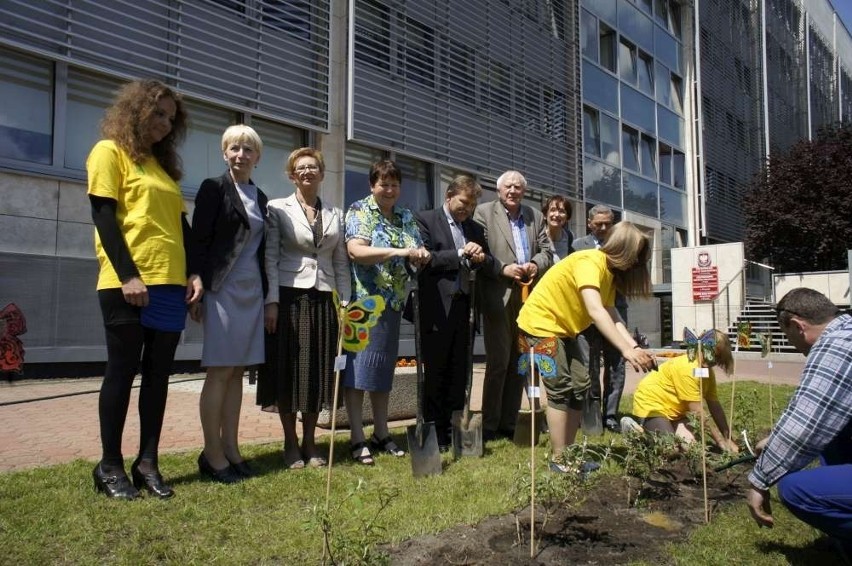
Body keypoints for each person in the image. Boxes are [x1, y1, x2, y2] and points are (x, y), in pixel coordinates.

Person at [87, 79, 203, 500]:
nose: (165, 124)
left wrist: (194, 273)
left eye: (171, 118)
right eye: (158, 113)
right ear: (136, 110)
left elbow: (180, 228)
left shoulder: (164, 169)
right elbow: (103, 216)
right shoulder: (109, 152)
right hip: (129, 283)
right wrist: (128, 275)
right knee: (121, 372)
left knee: (158, 377)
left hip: (170, 285)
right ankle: (110, 465)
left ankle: (147, 462)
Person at [516, 222, 656, 472]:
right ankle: (559, 461)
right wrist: (625, 351)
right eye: (636, 257)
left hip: (565, 329)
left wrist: (633, 346)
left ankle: (568, 456)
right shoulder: (589, 263)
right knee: (560, 387)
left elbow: (612, 314)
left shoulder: (608, 274)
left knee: (580, 386)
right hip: (539, 326)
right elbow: (595, 310)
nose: (637, 264)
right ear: (624, 250)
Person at [259, 148, 351, 470]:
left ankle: (311, 441)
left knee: (317, 372)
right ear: (292, 174)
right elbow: (270, 257)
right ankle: (289, 441)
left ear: (322, 173)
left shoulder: (335, 214)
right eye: (301, 168)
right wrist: (270, 301)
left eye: (313, 167)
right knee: (288, 370)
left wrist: (345, 303)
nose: (307, 172)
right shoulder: (277, 209)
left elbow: (340, 261)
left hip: (324, 299)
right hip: (288, 298)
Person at [746, 288, 852, 554]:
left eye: (787, 336)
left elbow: (807, 421)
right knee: (835, 436)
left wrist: (759, 480)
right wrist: (776, 441)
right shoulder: (846, 330)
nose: (791, 343)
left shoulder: (836, 345)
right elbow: (827, 413)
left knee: (796, 490)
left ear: (797, 326)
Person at [190, 125, 268, 484]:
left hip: (252, 292)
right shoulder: (213, 188)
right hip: (222, 289)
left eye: (247, 149)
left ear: (257, 156)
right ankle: (212, 453)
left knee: (237, 373)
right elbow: (199, 241)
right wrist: (197, 282)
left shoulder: (261, 197)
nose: (241, 155)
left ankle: (232, 448)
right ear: (225, 153)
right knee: (220, 370)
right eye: (234, 148)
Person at [344, 160, 430, 465]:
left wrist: (419, 256)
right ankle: (357, 437)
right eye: (384, 184)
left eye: (394, 184)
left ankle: (381, 432)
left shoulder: (405, 215)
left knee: (382, 372)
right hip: (364, 304)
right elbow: (357, 251)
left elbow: (416, 249)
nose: (389, 190)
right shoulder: (359, 211)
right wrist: (400, 252)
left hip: (393, 305)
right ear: (372, 185)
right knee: (357, 373)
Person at [409, 175, 493, 451]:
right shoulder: (424, 220)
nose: (466, 209)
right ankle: (434, 432)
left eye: (471, 205)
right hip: (437, 308)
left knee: (460, 372)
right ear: (449, 195)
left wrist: (479, 257)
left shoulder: (473, 228)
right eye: (463, 203)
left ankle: (456, 430)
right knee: (437, 372)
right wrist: (459, 253)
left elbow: (487, 260)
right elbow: (426, 258)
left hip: (464, 308)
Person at [473, 170, 552, 442]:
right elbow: (479, 253)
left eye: (518, 187)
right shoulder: (483, 213)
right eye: (508, 186)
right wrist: (503, 269)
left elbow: (547, 252)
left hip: (528, 297)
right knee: (498, 362)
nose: (513, 191)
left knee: (520, 361)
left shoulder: (535, 216)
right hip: (498, 295)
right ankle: (490, 425)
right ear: (499, 190)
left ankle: (508, 422)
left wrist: (535, 264)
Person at [630, 330, 739, 453]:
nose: (714, 361)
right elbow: (697, 413)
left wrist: (728, 438)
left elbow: (714, 405)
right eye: (713, 355)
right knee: (670, 450)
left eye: (718, 357)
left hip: (677, 413)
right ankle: (637, 432)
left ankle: (666, 428)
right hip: (652, 405)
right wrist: (720, 441)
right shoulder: (688, 368)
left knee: (692, 448)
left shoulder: (707, 371)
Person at [573, 204, 627, 433]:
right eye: (598, 224)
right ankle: (592, 413)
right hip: (589, 312)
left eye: (608, 223)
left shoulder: (621, 244)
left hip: (616, 309)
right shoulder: (577, 246)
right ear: (589, 223)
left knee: (617, 362)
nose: (603, 228)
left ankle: (611, 414)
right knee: (590, 365)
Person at [541, 195, 574, 262]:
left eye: (562, 211)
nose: (557, 214)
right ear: (545, 215)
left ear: (567, 217)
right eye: (553, 210)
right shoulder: (538, 236)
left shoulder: (569, 237)